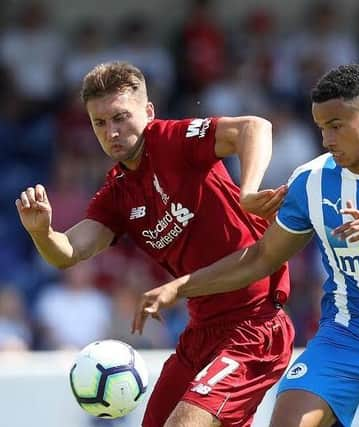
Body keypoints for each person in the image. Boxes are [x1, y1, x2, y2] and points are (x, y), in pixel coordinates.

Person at [133, 64, 359, 427]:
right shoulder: (312, 181)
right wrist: (180, 287)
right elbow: (260, 258)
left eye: (336, 126)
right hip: (346, 339)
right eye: (321, 128)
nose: (326, 140)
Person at [15, 61, 294, 427]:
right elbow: (68, 253)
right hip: (200, 332)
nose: (111, 132)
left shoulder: (173, 140)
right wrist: (41, 232)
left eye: (120, 117)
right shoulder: (116, 193)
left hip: (254, 326)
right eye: (100, 123)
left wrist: (250, 190)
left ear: (147, 112)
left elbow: (254, 127)